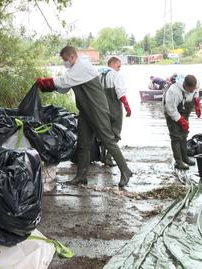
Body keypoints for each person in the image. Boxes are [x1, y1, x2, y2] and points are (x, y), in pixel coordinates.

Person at [35, 46, 132, 187]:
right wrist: (47, 87)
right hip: (86, 111)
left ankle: (125, 171)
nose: (64, 62)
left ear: (72, 57)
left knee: (108, 140)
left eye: (64, 60)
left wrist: (45, 82)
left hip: (97, 110)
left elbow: (64, 81)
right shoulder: (74, 70)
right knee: (83, 145)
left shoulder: (82, 66)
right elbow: (64, 87)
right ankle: (81, 176)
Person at [164, 74, 201, 170]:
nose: (192, 91)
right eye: (190, 89)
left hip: (185, 111)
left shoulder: (195, 86)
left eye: (194, 88)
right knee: (176, 136)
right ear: (185, 85)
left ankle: (185, 157)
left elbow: (196, 92)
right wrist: (181, 121)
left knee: (184, 135)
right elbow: (170, 109)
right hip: (172, 112)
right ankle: (178, 161)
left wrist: (197, 105)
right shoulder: (174, 92)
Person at [99, 56, 131, 166]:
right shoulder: (115, 75)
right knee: (115, 133)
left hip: (102, 108)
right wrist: (127, 108)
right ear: (112, 63)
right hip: (114, 108)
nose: (120, 68)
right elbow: (120, 92)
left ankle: (103, 156)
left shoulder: (99, 74)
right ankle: (108, 157)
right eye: (118, 65)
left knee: (104, 132)